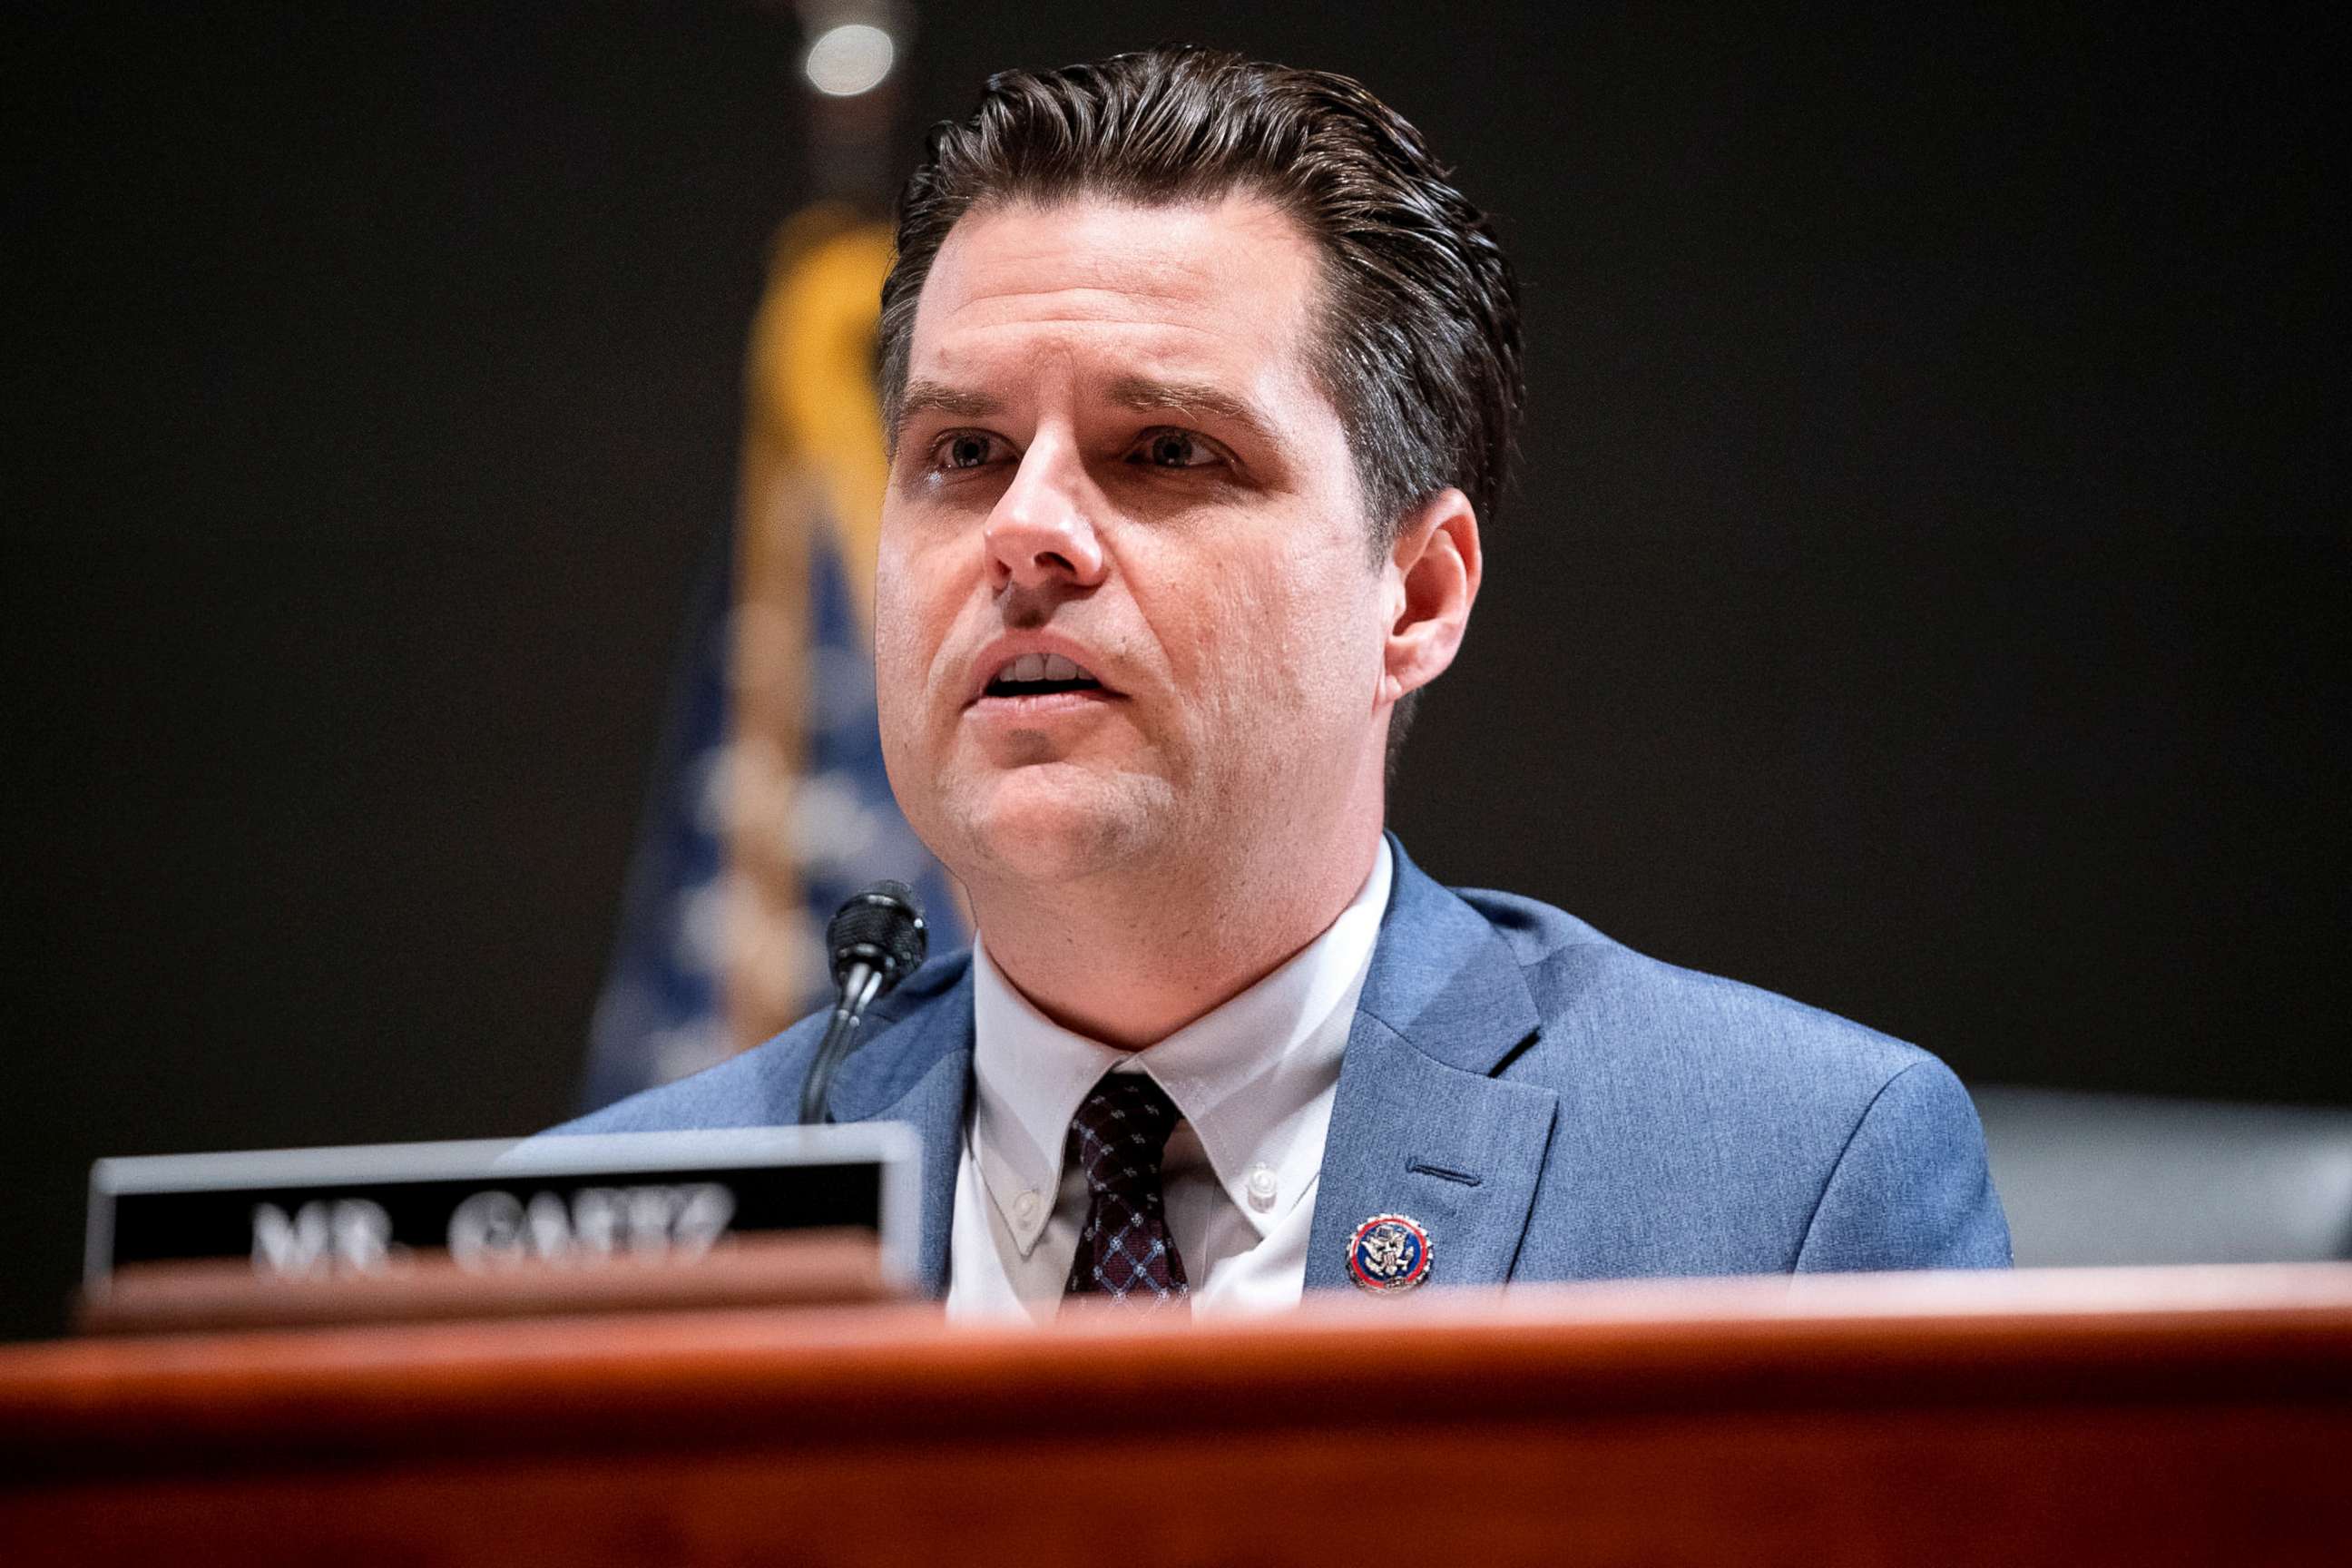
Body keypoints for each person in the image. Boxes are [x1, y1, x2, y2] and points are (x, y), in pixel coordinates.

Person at [556, 46, 2010, 1318]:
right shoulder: (599, 1236)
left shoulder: (1788, 1187)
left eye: (1167, 450)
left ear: (1418, 593)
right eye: (964, 454)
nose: (1026, 533)